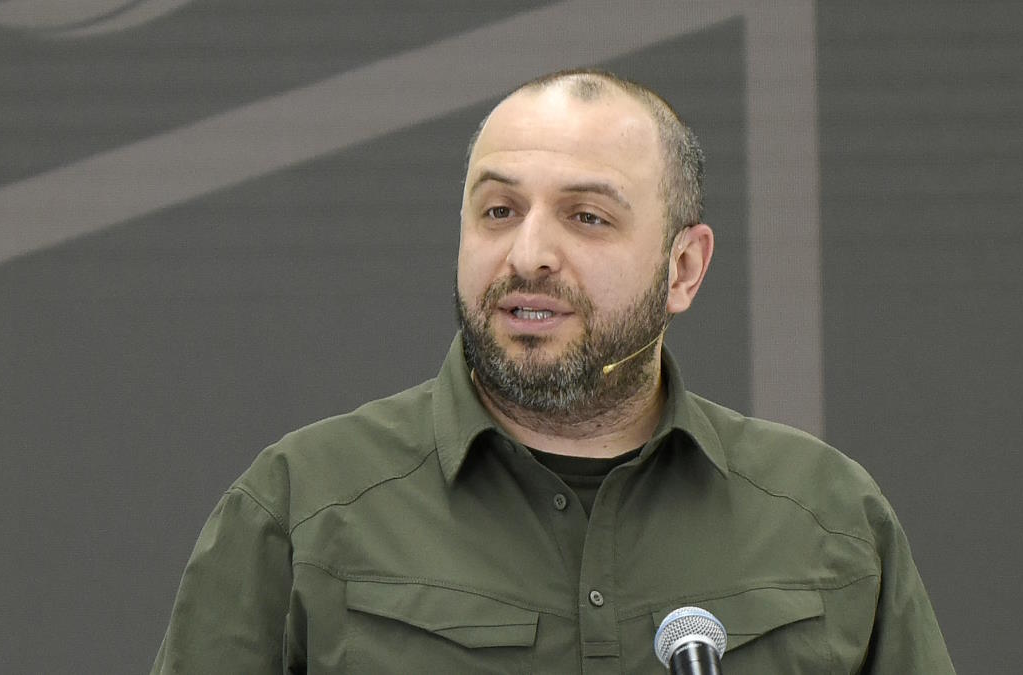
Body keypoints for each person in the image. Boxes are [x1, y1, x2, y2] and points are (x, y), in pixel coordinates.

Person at [151, 69, 955, 674]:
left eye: (587, 216)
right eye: (499, 211)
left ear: (683, 268)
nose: (529, 253)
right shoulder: (303, 504)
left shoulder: (829, 519)